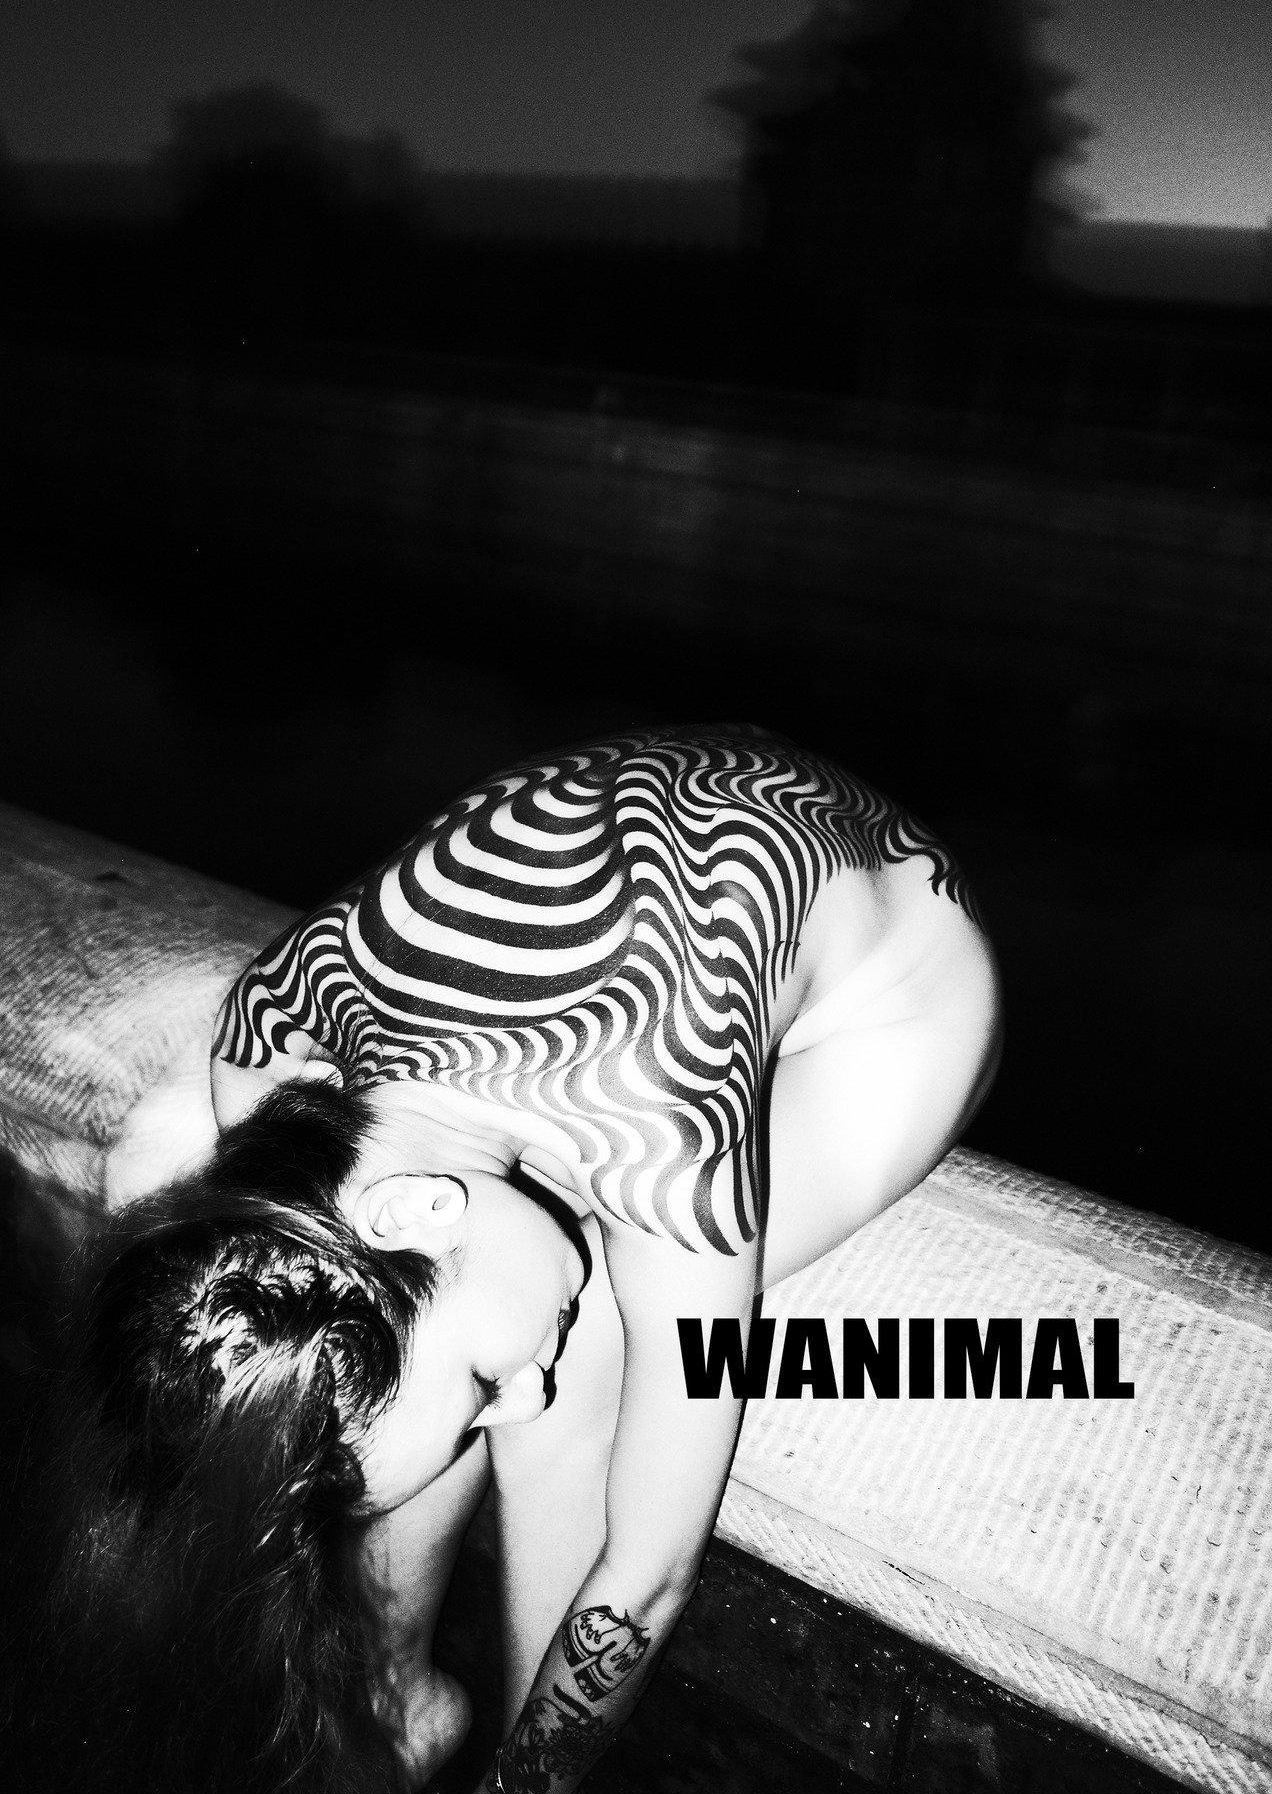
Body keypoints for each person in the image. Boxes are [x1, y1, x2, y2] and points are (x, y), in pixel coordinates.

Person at [71, 725, 1001, 1794]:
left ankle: (424, 1719)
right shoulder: (268, 1037)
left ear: (422, 1205)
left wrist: (525, 1784)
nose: (515, 1398)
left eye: (484, 1385)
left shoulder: (663, 1145)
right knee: (388, 1351)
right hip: (679, 859)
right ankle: (394, 1703)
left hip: (904, 984)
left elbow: (647, 1573)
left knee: (586, 1358)